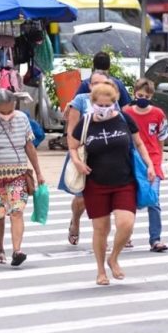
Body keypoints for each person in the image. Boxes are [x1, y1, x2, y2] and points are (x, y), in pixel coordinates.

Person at [68, 80, 155, 285]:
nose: (104, 109)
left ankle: (113, 257)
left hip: (124, 181)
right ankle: (100, 270)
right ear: (93, 102)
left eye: (108, 105)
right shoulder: (86, 122)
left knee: (126, 224)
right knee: (101, 229)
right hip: (96, 183)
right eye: (100, 105)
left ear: (114, 103)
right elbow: (72, 146)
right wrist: (78, 162)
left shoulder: (124, 119)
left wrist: (150, 165)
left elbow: (139, 143)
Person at [0, 89, 45, 267]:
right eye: (3, 111)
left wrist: (38, 172)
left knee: (17, 211)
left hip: (18, 174)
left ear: (14, 105)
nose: (6, 114)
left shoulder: (22, 119)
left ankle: (17, 251)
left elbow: (30, 147)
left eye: (9, 110)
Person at [62, 70, 112, 246]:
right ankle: (75, 221)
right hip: (84, 154)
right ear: (89, 85)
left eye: (103, 83)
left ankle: (103, 236)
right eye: (95, 83)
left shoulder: (112, 101)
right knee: (81, 197)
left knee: (106, 196)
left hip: (106, 156)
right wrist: (75, 158)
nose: (99, 87)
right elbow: (71, 132)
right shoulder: (81, 100)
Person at [123, 79, 168, 252]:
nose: (143, 98)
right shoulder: (126, 112)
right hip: (131, 161)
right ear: (135, 93)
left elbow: (161, 139)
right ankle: (126, 236)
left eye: (146, 96)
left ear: (152, 96)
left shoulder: (158, 114)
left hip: (153, 162)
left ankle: (155, 239)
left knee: (154, 200)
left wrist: (158, 162)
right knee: (129, 201)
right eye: (140, 95)